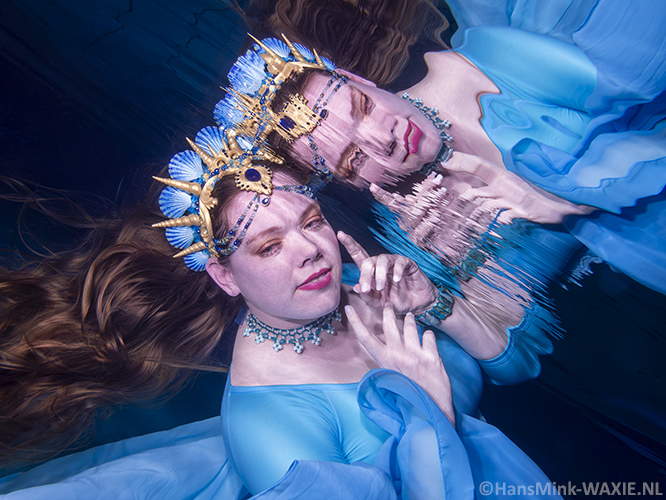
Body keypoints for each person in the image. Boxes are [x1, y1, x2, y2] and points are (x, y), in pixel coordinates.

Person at [0, 39, 564, 499]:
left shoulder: (364, 282)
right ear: (225, 277)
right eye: (269, 247)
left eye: (312, 222)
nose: (311, 251)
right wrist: (429, 412)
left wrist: (436, 305)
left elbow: (517, 366)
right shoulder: (267, 425)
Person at [240, 0, 666, 296]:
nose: (383, 139)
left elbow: (638, 90)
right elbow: (519, 348)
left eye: (363, 106)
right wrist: (451, 284)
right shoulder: (423, 223)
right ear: (349, 184)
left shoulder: (499, 61)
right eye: (354, 159)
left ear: (361, 80)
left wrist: (569, 201)